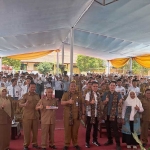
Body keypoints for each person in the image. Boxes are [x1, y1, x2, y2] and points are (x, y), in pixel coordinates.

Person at [61, 81, 85, 150]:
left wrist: (83, 113)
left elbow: (82, 103)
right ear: (69, 87)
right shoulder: (65, 94)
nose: (73, 87)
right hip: (67, 116)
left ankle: (75, 144)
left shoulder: (79, 94)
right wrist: (68, 102)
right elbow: (62, 102)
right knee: (67, 131)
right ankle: (66, 144)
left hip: (77, 116)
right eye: (72, 86)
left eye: (74, 86)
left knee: (75, 131)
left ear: (76, 87)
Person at [19, 82, 40, 150]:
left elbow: (39, 104)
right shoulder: (25, 95)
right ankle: (26, 145)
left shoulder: (37, 95)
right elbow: (20, 104)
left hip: (35, 116)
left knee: (35, 132)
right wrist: (24, 104)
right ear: (29, 88)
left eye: (34, 87)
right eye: (31, 87)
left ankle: (34, 143)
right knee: (27, 132)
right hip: (27, 116)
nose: (33, 89)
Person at [102, 81, 122, 150]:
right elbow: (102, 103)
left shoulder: (118, 94)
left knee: (115, 129)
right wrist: (105, 101)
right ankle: (110, 140)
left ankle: (118, 144)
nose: (112, 87)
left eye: (114, 85)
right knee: (108, 128)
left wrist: (120, 102)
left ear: (115, 87)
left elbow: (120, 101)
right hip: (106, 113)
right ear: (109, 86)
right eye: (111, 85)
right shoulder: (105, 94)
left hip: (114, 114)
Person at [85, 81, 103, 148]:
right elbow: (86, 103)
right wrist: (90, 102)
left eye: (96, 86)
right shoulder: (88, 94)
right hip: (90, 114)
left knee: (96, 129)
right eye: (94, 86)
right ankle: (87, 142)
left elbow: (100, 104)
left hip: (96, 114)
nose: (95, 87)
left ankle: (95, 140)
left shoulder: (98, 94)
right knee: (89, 129)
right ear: (91, 87)